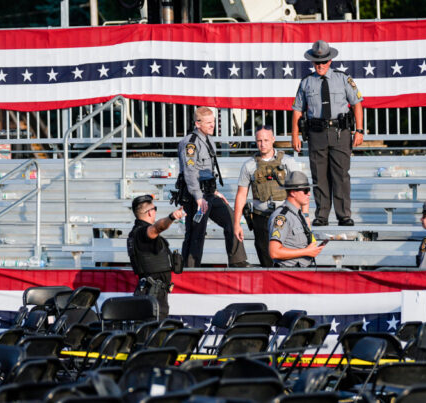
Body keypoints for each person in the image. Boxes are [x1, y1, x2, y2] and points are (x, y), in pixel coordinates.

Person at [291, 39, 365, 227]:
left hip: (340, 132)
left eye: (324, 61)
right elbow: (297, 109)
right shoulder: (307, 82)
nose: (320, 65)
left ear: (330, 61)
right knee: (319, 176)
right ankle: (322, 215)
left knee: (340, 175)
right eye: (317, 62)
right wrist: (294, 134)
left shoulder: (343, 78)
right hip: (316, 133)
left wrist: (359, 130)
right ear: (312, 62)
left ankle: (343, 215)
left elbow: (357, 104)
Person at [178, 106, 249, 267]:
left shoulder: (208, 139)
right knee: (196, 232)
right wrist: (198, 197)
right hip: (196, 196)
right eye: (208, 122)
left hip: (209, 192)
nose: (212, 125)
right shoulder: (191, 143)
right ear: (197, 123)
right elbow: (190, 173)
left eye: (213, 122)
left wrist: (215, 192)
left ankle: (238, 261)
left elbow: (207, 171)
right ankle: (190, 268)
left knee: (232, 219)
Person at [233, 125, 302, 267]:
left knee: (289, 260)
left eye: (266, 140)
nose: (262, 144)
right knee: (266, 260)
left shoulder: (288, 162)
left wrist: (304, 216)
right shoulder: (249, 165)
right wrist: (237, 223)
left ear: (273, 139)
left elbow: (300, 191)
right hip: (261, 217)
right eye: (259, 140)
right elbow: (241, 195)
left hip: (285, 217)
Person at [127, 195, 185, 319]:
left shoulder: (136, 232)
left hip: (152, 293)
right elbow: (157, 228)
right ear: (149, 212)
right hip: (153, 294)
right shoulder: (142, 232)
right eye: (155, 208)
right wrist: (171, 217)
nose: (155, 212)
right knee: (154, 332)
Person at [268, 171, 325, 268]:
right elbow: (274, 252)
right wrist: (307, 252)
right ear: (293, 193)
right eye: (306, 190)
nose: (309, 194)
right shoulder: (282, 217)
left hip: (301, 271)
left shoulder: (298, 214)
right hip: (288, 273)